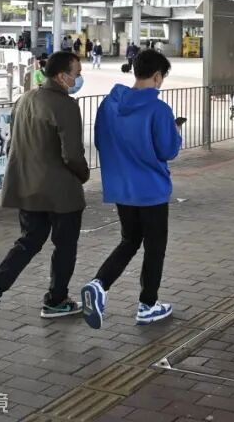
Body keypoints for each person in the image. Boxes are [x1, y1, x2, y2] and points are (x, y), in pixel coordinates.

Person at [0, 51, 89, 334]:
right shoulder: (66, 105)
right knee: (65, 245)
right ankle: (56, 300)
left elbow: (14, 141)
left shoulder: (24, 99)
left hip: (27, 186)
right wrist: (83, 174)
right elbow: (72, 154)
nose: (78, 79)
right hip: (61, 191)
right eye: (76, 74)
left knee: (28, 242)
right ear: (62, 76)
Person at [81, 50, 181, 328]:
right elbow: (168, 150)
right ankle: (148, 305)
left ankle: (99, 284)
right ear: (157, 76)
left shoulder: (109, 105)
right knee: (154, 247)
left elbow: (100, 141)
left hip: (121, 188)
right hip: (151, 190)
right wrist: (175, 132)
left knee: (130, 240)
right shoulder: (159, 110)